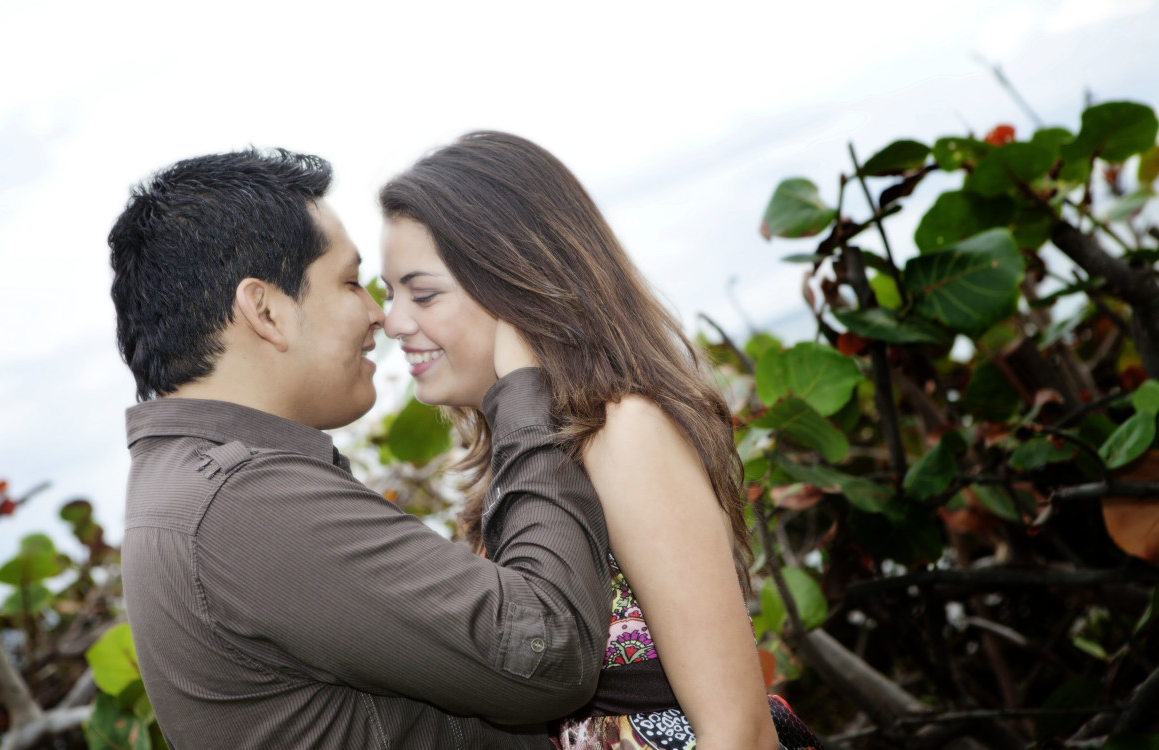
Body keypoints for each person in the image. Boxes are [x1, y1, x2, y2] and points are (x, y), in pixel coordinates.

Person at [108, 148, 614, 749]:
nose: (381, 316)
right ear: (264, 309)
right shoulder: (247, 503)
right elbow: (548, 650)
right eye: (351, 283)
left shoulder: (192, 488)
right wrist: (525, 403)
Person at [379, 132, 823, 750]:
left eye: (422, 293)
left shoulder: (623, 432)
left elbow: (738, 731)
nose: (394, 322)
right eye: (389, 293)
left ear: (517, 283)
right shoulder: (528, 456)